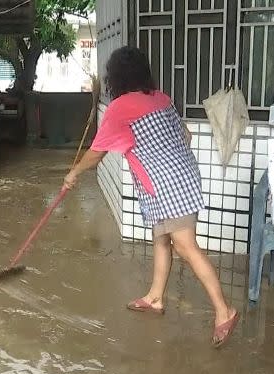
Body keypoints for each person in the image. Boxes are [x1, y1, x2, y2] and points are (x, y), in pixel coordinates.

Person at [63, 46, 239, 348]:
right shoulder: (160, 98)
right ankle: (155, 298)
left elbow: (97, 153)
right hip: (174, 180)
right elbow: (186, 135)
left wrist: (73, 173)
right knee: (161, 239)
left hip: (168, 185)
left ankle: (225, 311)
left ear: (114, 77)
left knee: (185, 246)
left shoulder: (119, 108)